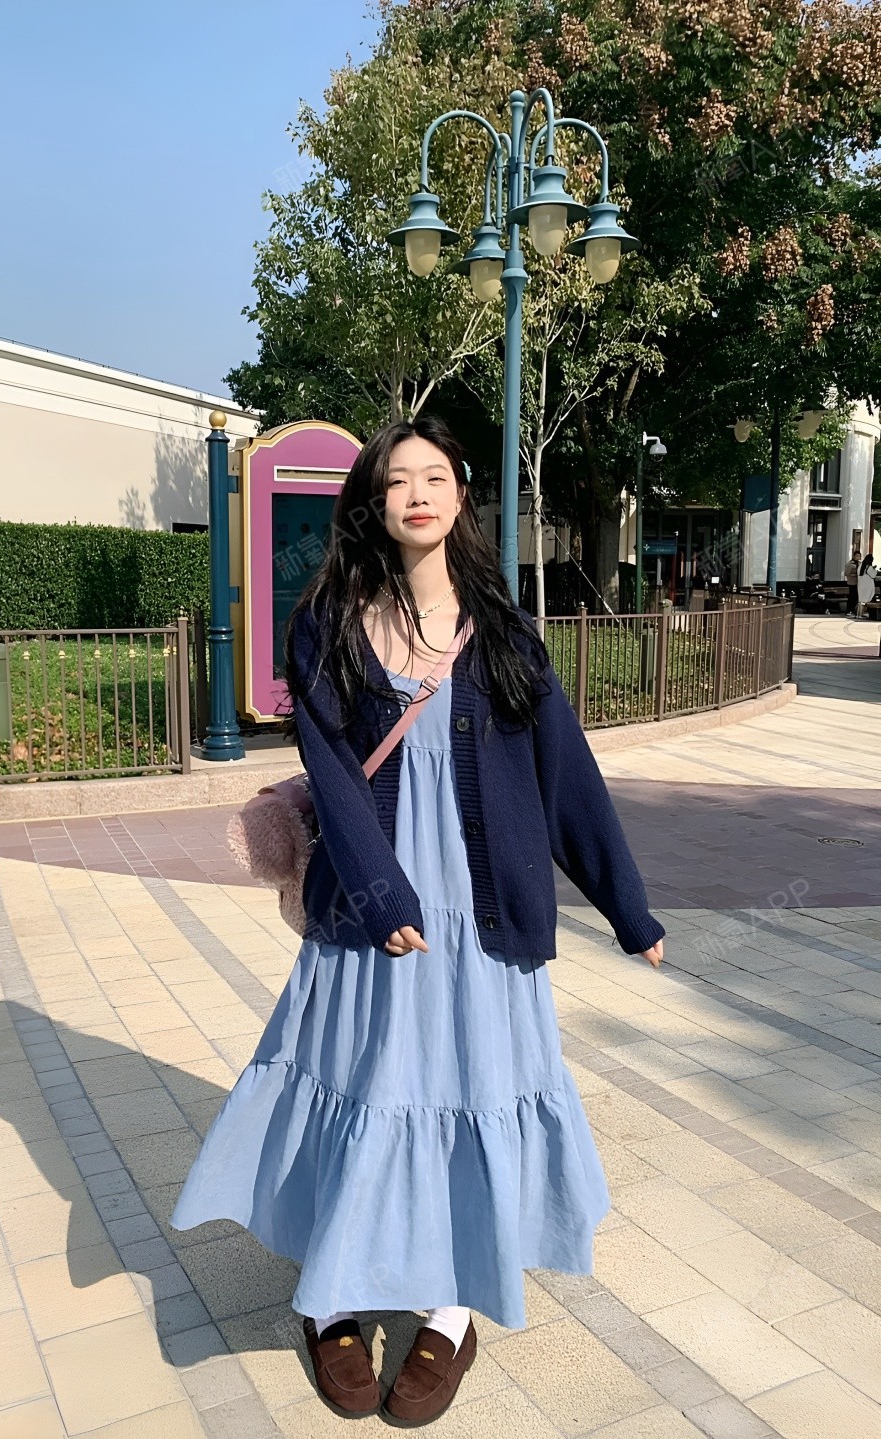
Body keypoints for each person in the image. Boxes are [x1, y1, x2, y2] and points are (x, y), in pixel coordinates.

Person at [169, 414, 666, 1426]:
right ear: (374, 502)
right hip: (371, 905)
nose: (417, 494)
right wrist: (382, 891)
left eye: (434, 476)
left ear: (460, 496)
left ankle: (449, 1307)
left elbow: (565, 775)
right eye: (397, 480)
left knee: (471, 1082)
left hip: (486, 920)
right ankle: (333, 1298)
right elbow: (332, 771)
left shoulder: (505, 630)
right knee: (359, 1076)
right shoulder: (330, 623)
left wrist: (627, 904)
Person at [857, 552, 879, 618]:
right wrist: (875, 570)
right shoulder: (868, 567)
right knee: (866, 600)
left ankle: (859, 614)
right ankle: (864, 613)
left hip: (860, 585)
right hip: (867, 585)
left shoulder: (860, 566)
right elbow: (873, 575)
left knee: (861, 600)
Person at [846, 550, 862, 614]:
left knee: (856, 597)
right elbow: (847, 573)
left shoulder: (860, 564)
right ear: (854, 556)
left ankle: (855, 610)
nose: (858, 557)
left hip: (858, 583)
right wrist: (855, 574)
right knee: (851, 596)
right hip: (852, 582)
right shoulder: (850, 564)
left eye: (859, 556)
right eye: (857, 556)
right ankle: (849, 610)